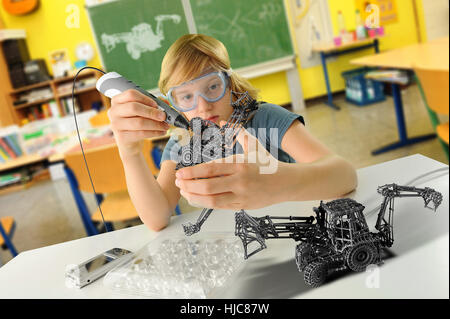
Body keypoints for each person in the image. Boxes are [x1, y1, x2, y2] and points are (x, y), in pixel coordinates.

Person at [107, 34, 357, 231]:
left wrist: (280, 183)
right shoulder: (182, 144)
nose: (203, 106)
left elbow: (345, 176)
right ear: (173, 104)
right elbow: (156, 218)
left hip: (293, 228)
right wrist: (129, 153)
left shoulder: (265, 119)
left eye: (212, 86)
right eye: (186, 96)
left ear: (229, 82)